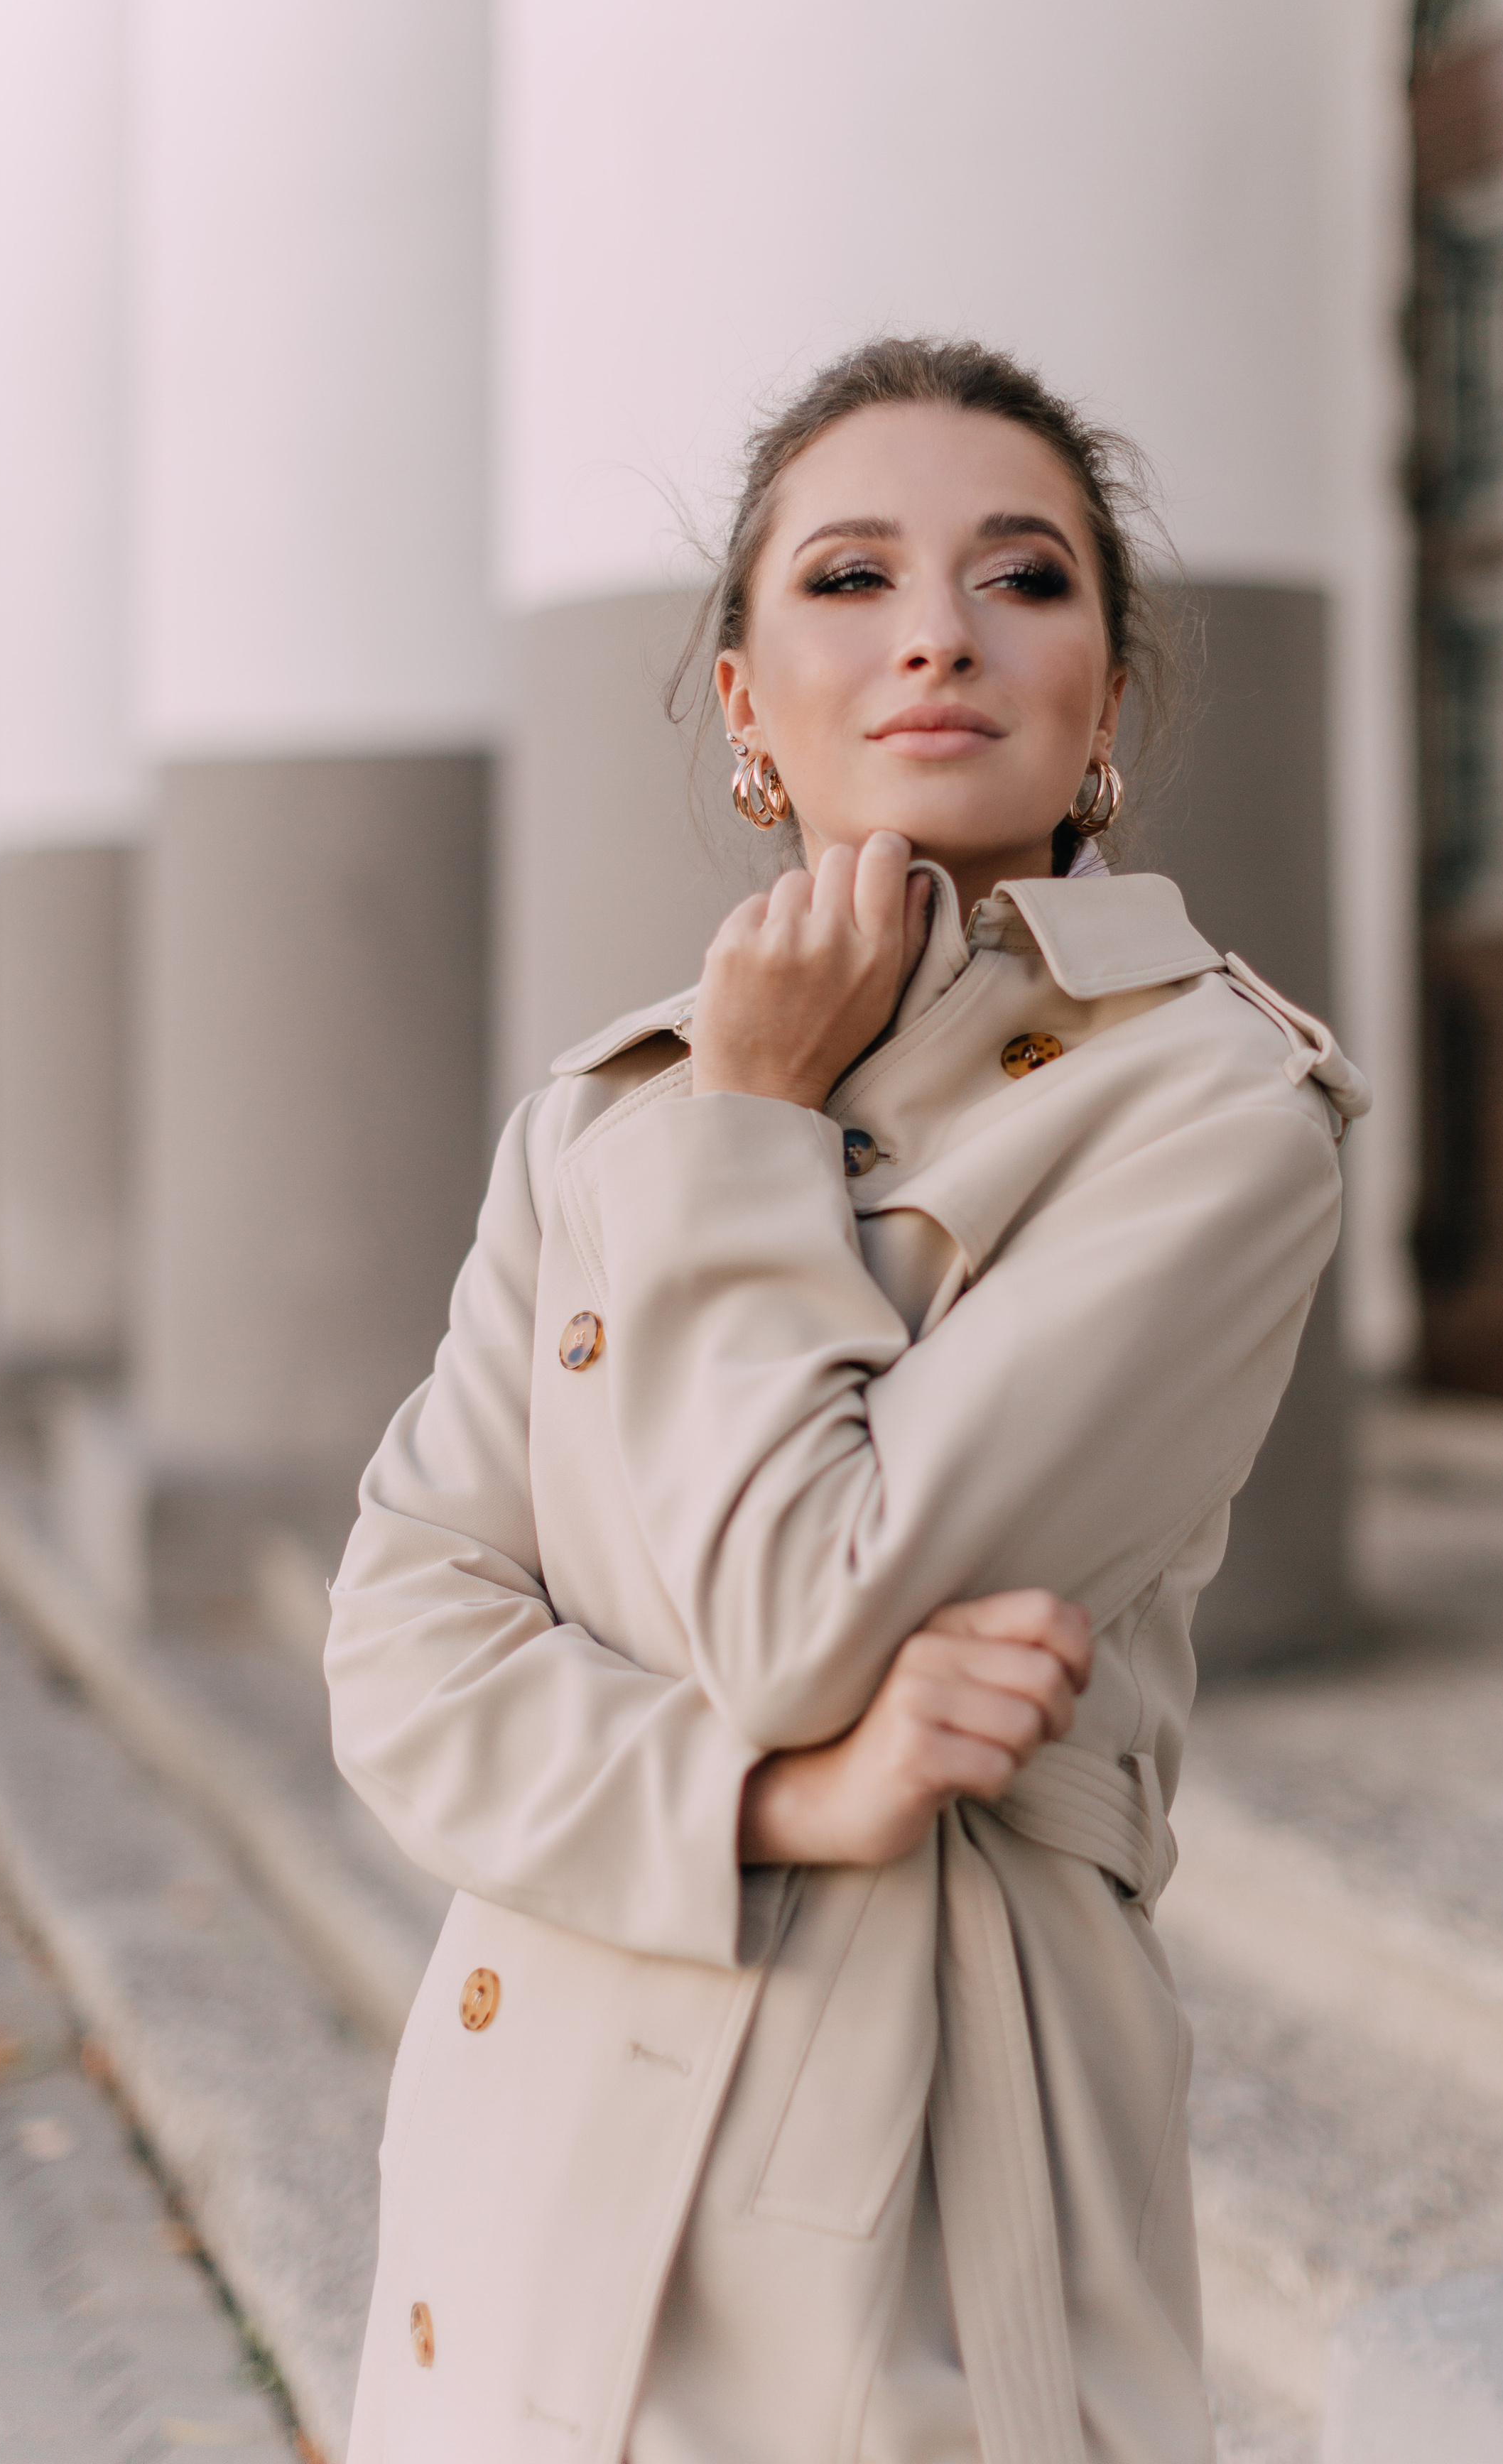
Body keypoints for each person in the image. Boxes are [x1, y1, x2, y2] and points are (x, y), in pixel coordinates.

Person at [324, 336, 1369, 2464]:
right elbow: (402, 1643)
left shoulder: (1217, 1111)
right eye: (848, 577)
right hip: (534, 2086)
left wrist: (757, 1122)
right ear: (742, 707)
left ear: (1106, 698)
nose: (936, 636)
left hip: (915, 2113)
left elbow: (811, 1614)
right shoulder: (609, 1106)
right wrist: (772, 1802)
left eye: (1024, 577)